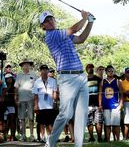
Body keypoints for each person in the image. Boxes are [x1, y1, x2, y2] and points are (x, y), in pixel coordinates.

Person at [38, 9, 94, 147]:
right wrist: (85, 17)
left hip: (81, 76)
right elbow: (75, 29)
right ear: (43, 26)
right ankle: (50, 142)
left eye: (51, 18)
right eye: (46, 21)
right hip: (67, 78)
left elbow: (81, 39)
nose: (50, 21)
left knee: (82, 114)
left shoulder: (62, 34)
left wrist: (90, 22)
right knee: (66, 114)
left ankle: (78, 145)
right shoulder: (51, 36)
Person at [33, 64, 58, 144]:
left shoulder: (53, 80)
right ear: (40, 71)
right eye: (42, 69)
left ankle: (50, 137)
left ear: (48, 71)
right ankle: (42, 137)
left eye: (46, 69)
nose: (44, 71)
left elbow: (55, 92)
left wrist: (55, 102)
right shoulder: (37, 82)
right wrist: (36, 105)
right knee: (41, 123)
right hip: (41, 105)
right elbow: (35, 95)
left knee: (50, 123)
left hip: (50, 105)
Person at [98, 65, 121, 143]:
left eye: (112, 71)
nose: (111, 72)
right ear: (106, 72)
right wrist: (100, 104)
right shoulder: (103, 81)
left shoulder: (117, 81)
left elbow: (121, 94)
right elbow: (100, 94)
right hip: (106, 106)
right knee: (107, 124)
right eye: (109, 71)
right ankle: (108, 140)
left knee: (116, 124)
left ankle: (117, 140)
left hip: (115, 106)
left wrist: (121, 104)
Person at [15, 59, 36, 141]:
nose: (26, 66)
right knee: (22, 118)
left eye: (28, 65)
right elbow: (16, 87)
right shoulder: (19, 75)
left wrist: (36, 98)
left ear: (30, 66)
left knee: (31, 117)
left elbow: (37, 86)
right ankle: (23, 135)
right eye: (24, 65)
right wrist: (16, 98)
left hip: (31, 99)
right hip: (21, 99)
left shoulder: (33, 74)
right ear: (22, 66)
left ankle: (31, 135)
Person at [85, 63, 103, 143]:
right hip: (87, 104)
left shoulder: (98, 79)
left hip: (96, 104)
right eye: (89, 67)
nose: (90, 69)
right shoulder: (83, 80)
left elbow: (100, 92)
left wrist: (100, 104)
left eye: (92, 67)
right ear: (86, 69)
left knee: (98, 121)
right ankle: (91, 137)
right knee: (89, 122)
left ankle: (99, 138)